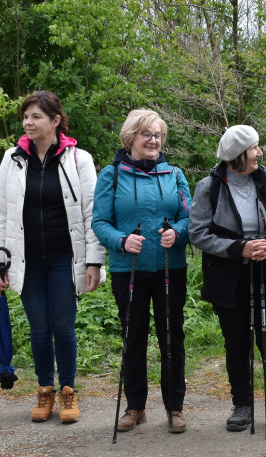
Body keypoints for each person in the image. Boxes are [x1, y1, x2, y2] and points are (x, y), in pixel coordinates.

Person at [0, 91, 105, 424]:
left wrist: (94, 260)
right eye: (26, 117)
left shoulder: (79, 159)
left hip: (65, 260)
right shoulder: (11, 158)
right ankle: (45, 390)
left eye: (36, 116)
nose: (28, 122)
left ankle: (68, 391)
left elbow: (92, 213)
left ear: (55, 121)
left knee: (63, 326)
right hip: (26, 260)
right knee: (39, 329)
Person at [189, 125, 266, 432]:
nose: (259, 153)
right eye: (254, 148)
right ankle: (242, 406)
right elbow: (197, 233)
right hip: (229, 277)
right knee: (237, 344)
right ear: (237, 155)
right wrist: (239, 248)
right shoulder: (209, 187)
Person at [92, 109, 191, 434]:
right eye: (146, 134)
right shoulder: (112, 175)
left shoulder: (174, 174)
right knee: (133, 338)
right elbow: (99, 222)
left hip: (169, 268)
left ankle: (174, 407)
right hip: (128, 269)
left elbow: (190, 217)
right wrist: (121, 240)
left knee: (171, 338)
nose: (153, 140)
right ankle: (135, 407)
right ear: (130, 137)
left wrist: (176, 233)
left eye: (158, 135)